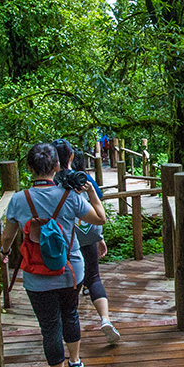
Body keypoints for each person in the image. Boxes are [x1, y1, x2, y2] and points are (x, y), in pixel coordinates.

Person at [0, 142, 107, 367]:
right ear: (57, 166)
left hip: (37, 277)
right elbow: (100, 219)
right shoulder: (70, 196)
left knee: (49, 327)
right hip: (71, 272)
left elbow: (8, 237)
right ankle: (76, 361)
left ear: (29, 168)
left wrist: (4, 254)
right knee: (70, 315)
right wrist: (91, 192)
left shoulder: (18, 200)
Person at [53, 140, 121, 344]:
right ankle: (105, 319)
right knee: (93, 277)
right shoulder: (81, 179)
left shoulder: (50, 183)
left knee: (66, 281)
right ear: (71, 157)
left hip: (62, 237)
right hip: (87, 232)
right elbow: (97, 204)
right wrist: (99, 237)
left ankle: (66, 327)